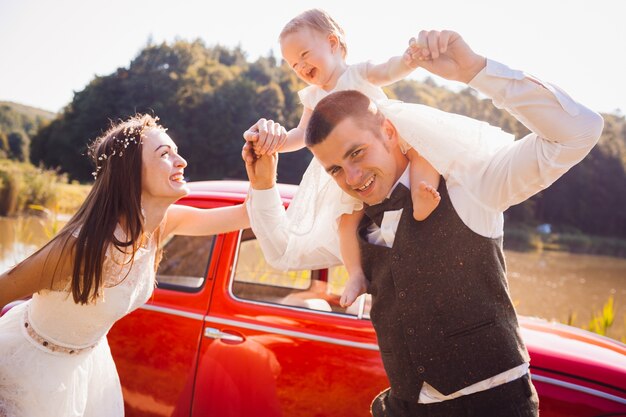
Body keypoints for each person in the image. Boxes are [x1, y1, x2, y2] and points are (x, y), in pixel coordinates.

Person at [243, 30, 603, 417]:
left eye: (358, 153)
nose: (352, 177)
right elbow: (282, 253)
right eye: (335, 169)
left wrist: (476, 70)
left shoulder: (469, 187)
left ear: (389, 131)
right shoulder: (353, 223)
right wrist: (262, 184)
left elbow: (578, 132)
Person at [0, 114, 249, 417]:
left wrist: (264, 169)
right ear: (130, 173)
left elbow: (246, 215)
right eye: (165, 154)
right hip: (32, 368)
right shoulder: (82, 248)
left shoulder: (160, 225)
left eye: (175, 150)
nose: (181, 161)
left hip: (88, 363)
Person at [243, 9, 441, 308]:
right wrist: (274, 144)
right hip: (350, 164)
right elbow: (301, 134)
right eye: (293, 64)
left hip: (388, 141)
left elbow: (388, 69)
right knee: (345, 222)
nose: (300, 66)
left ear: (333, 43)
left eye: (305, 54)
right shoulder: (312, 96)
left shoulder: (356, 74)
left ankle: (422, 195)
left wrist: (409, 61)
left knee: (421, 148)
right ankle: (355, 274)